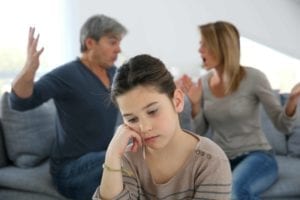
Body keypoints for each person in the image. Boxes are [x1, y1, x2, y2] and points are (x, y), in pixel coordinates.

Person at [176, 21, 300, 199]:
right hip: (221, 159)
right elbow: (201, 133)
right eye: (200, 44)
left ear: (221, 46)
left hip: (258, 156)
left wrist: (292, 102)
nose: (199, 50)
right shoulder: (203, 83)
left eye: (204, 44)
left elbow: (283, 126)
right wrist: (195, 104)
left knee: (235, 190)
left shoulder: (254, 78)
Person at [10, 14, 127, 200]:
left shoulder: (113, 73)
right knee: (127, 161)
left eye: (119, 43)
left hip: (101, 159)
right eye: (112, 42)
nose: (118, 49)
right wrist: (29, 68)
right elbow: (19, 102)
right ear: (90, 43)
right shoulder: (67, 75)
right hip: (71, 169)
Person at [92, 54, 232, 200]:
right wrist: (112, 155)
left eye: (152, 111)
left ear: (177, 101)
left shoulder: (211, 161)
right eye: (132, 119)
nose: (144, 128)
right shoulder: (128, 159)